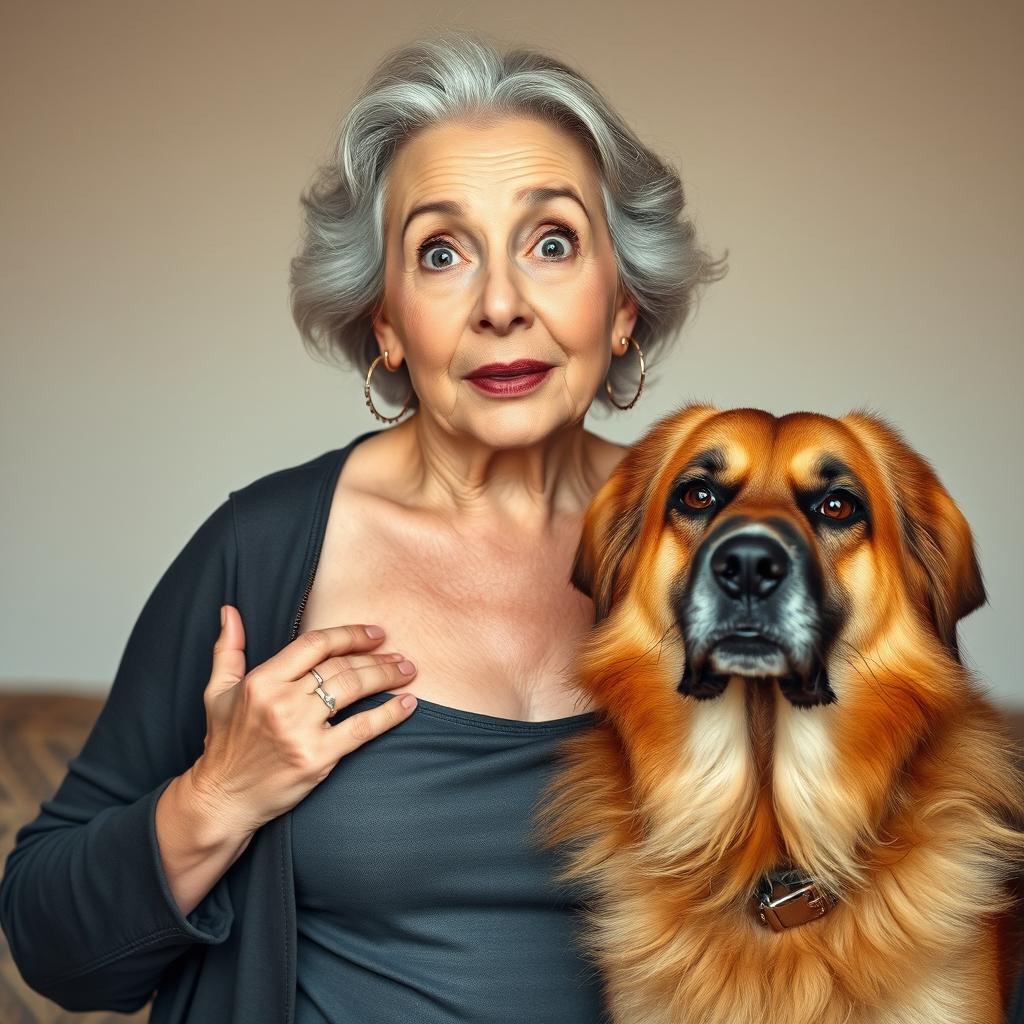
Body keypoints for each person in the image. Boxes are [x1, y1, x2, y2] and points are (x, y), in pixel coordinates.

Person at [0, 30, 725, 1023]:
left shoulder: (733, 551)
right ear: (386, 320)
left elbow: (926, 886)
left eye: (551, 241)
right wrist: (218, 795)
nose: (502, 304)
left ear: (623, 304)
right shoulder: (261, 550)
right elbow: (52, 944)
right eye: (440, 253)